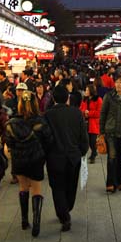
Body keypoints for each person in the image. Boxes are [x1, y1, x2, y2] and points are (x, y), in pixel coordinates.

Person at [4, 91, 52, 236]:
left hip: (19, 160)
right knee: (36, 190)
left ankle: (24, 220)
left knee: (23, 187)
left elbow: (9, 143)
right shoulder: (41, 121)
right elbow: (48, 140)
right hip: (36, 159)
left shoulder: (12, 123)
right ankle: (37, 223)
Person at [43, 86, 89, 232]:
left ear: (54, 99)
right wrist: (82, 151)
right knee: (71, 185)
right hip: (73, 156)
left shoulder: (48, 115)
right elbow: (83, 135)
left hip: (54, 157)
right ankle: (66, 208)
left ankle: (63, 214)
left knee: (57, 187)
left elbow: (45, 137)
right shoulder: (76, 113)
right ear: (67, 98)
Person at [82, 79, 102, 164]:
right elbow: (81, 108)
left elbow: (99, 112)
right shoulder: (84, 100)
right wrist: (84, 112)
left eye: (87, 90)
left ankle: (93, 154)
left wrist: (89, 113)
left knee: (93, 141)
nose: (85, 91)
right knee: (87, 141)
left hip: (94, 124)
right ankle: (94, 152)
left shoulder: (98, 100)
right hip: (85, 123)